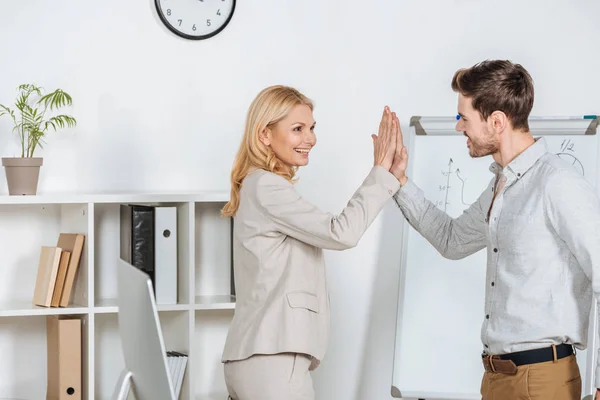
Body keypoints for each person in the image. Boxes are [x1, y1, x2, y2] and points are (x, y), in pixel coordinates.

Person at [389, 59, 600, 399]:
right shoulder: (501, 186)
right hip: (495, 378)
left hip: (543, 380)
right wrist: (398, 181)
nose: (459, 127)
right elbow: (452, 240)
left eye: (464, 118)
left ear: (497, 121)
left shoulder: (557, 183)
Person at [220, 85, 402, 399]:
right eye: (298, 129)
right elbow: (341, 232)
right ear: (265, 134)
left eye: (312, 128)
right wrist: (381, 173)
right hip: (272, 361)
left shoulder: (258, 185)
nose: (310, 138)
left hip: (259, 359)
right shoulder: (266, 186)